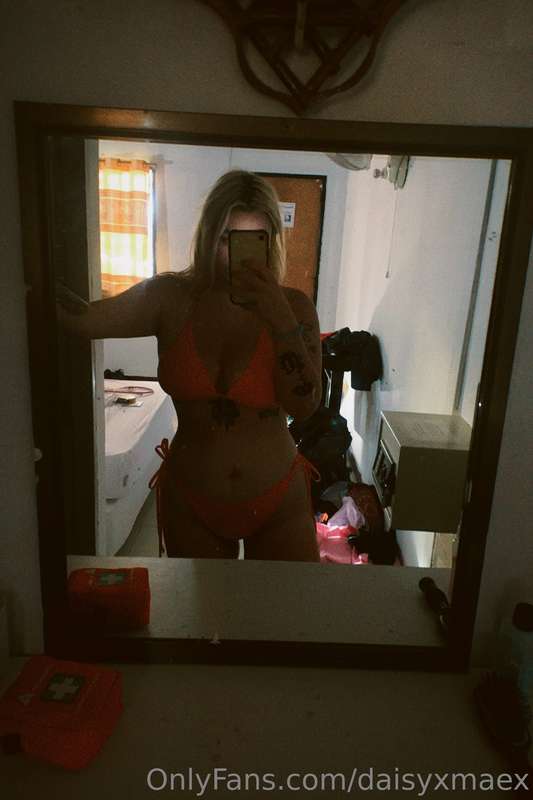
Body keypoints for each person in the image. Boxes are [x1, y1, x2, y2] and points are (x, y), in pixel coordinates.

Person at [57, 169, 323, 561]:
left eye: (254, 240)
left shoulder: (294, 307)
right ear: (208, 236)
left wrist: (280, 320)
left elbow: (306, 405)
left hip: (277, 500)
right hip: (192, 501)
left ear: (272, 243)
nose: (236, 256)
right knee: (201, 605)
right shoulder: (169, 298)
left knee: (287, 603)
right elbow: (83, 320)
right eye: (226, 238)